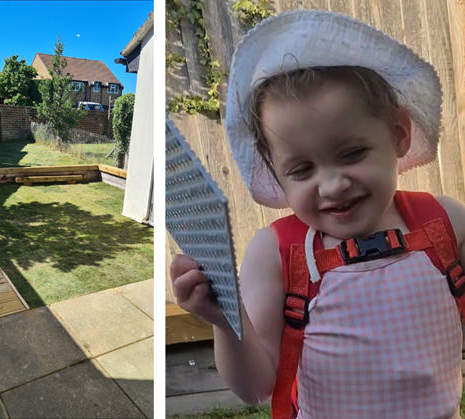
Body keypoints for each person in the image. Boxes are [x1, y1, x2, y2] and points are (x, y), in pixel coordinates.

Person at [170, 9, 465, 418]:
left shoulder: (445, 225)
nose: (332, 185)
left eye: (353, 153)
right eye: (303, 170)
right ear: (276, 172)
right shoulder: (276, 254)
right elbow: (255, 387)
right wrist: (223, 318)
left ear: (399, 132)